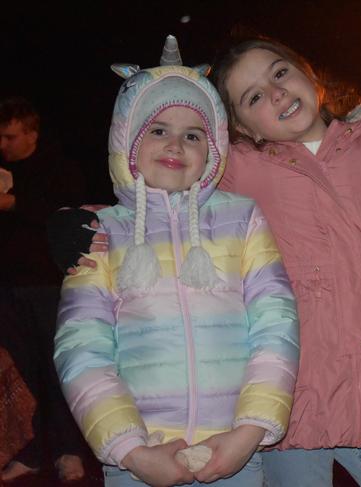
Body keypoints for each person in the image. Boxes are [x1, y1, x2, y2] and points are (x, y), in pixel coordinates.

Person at [50, 36, 361, 487]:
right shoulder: (241, 168)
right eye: (254, 97)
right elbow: (164, 186)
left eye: (279, 72)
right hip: (288, 407)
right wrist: (81, 221)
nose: (276, 93)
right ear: (244, 130)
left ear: (309, 73)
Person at [53, 36, 299, 487]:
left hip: (233, 453)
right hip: (141, 460)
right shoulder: (100, 232)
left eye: (193, 134)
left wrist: (250, 431)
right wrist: (130, 450)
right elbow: (81, 346)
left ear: (214, 149)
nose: (176, 145)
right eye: (158, 129)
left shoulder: (242, 219)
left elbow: (276, 323)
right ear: (127, 138)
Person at [0, 96, 88, 482]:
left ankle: (70, 450)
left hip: (48, 286)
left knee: (59, 370)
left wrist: (11, 203)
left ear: (32, 133)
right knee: (21, 375)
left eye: (10, 137)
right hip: (7, 288)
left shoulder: (58, 168)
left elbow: (66, 215)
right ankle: (31, 450)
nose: (3, 145)